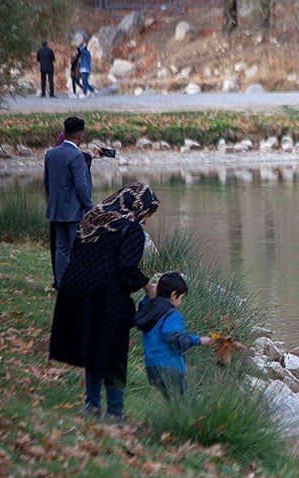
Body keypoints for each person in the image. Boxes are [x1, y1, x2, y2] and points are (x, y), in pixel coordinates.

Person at [49, 182, 160, 422]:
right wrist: (147, 286)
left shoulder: (92, 218)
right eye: (148, 214)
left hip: (76, 289)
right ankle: (115, 412)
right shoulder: (131, 230)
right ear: (139, 207)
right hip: (107, 295)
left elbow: (76, 253)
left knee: (92, 347)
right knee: (113, 352)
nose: (146, 220)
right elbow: (126, 269)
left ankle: (91, 405)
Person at [134, 272, 214, 400]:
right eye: (181, 297)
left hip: (152, 368)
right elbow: (174, 338)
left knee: (173, 403)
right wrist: (199, 340)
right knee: (188, 404)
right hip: (170, 368)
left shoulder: (148, 309)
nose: (181, 301)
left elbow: (146, 303)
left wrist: (149, 296)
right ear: (173, 295)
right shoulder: (171, 315)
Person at [44, 116, 93, 290]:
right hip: (74, 211)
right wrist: (89, 207)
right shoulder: (76, 157)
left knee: (61, 248)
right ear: (80, 135)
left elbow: (47, 183)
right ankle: (77, 283)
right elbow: (81, 186)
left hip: (56, 210)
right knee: (78, 248)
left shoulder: (51, 154)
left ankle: (61, 282)